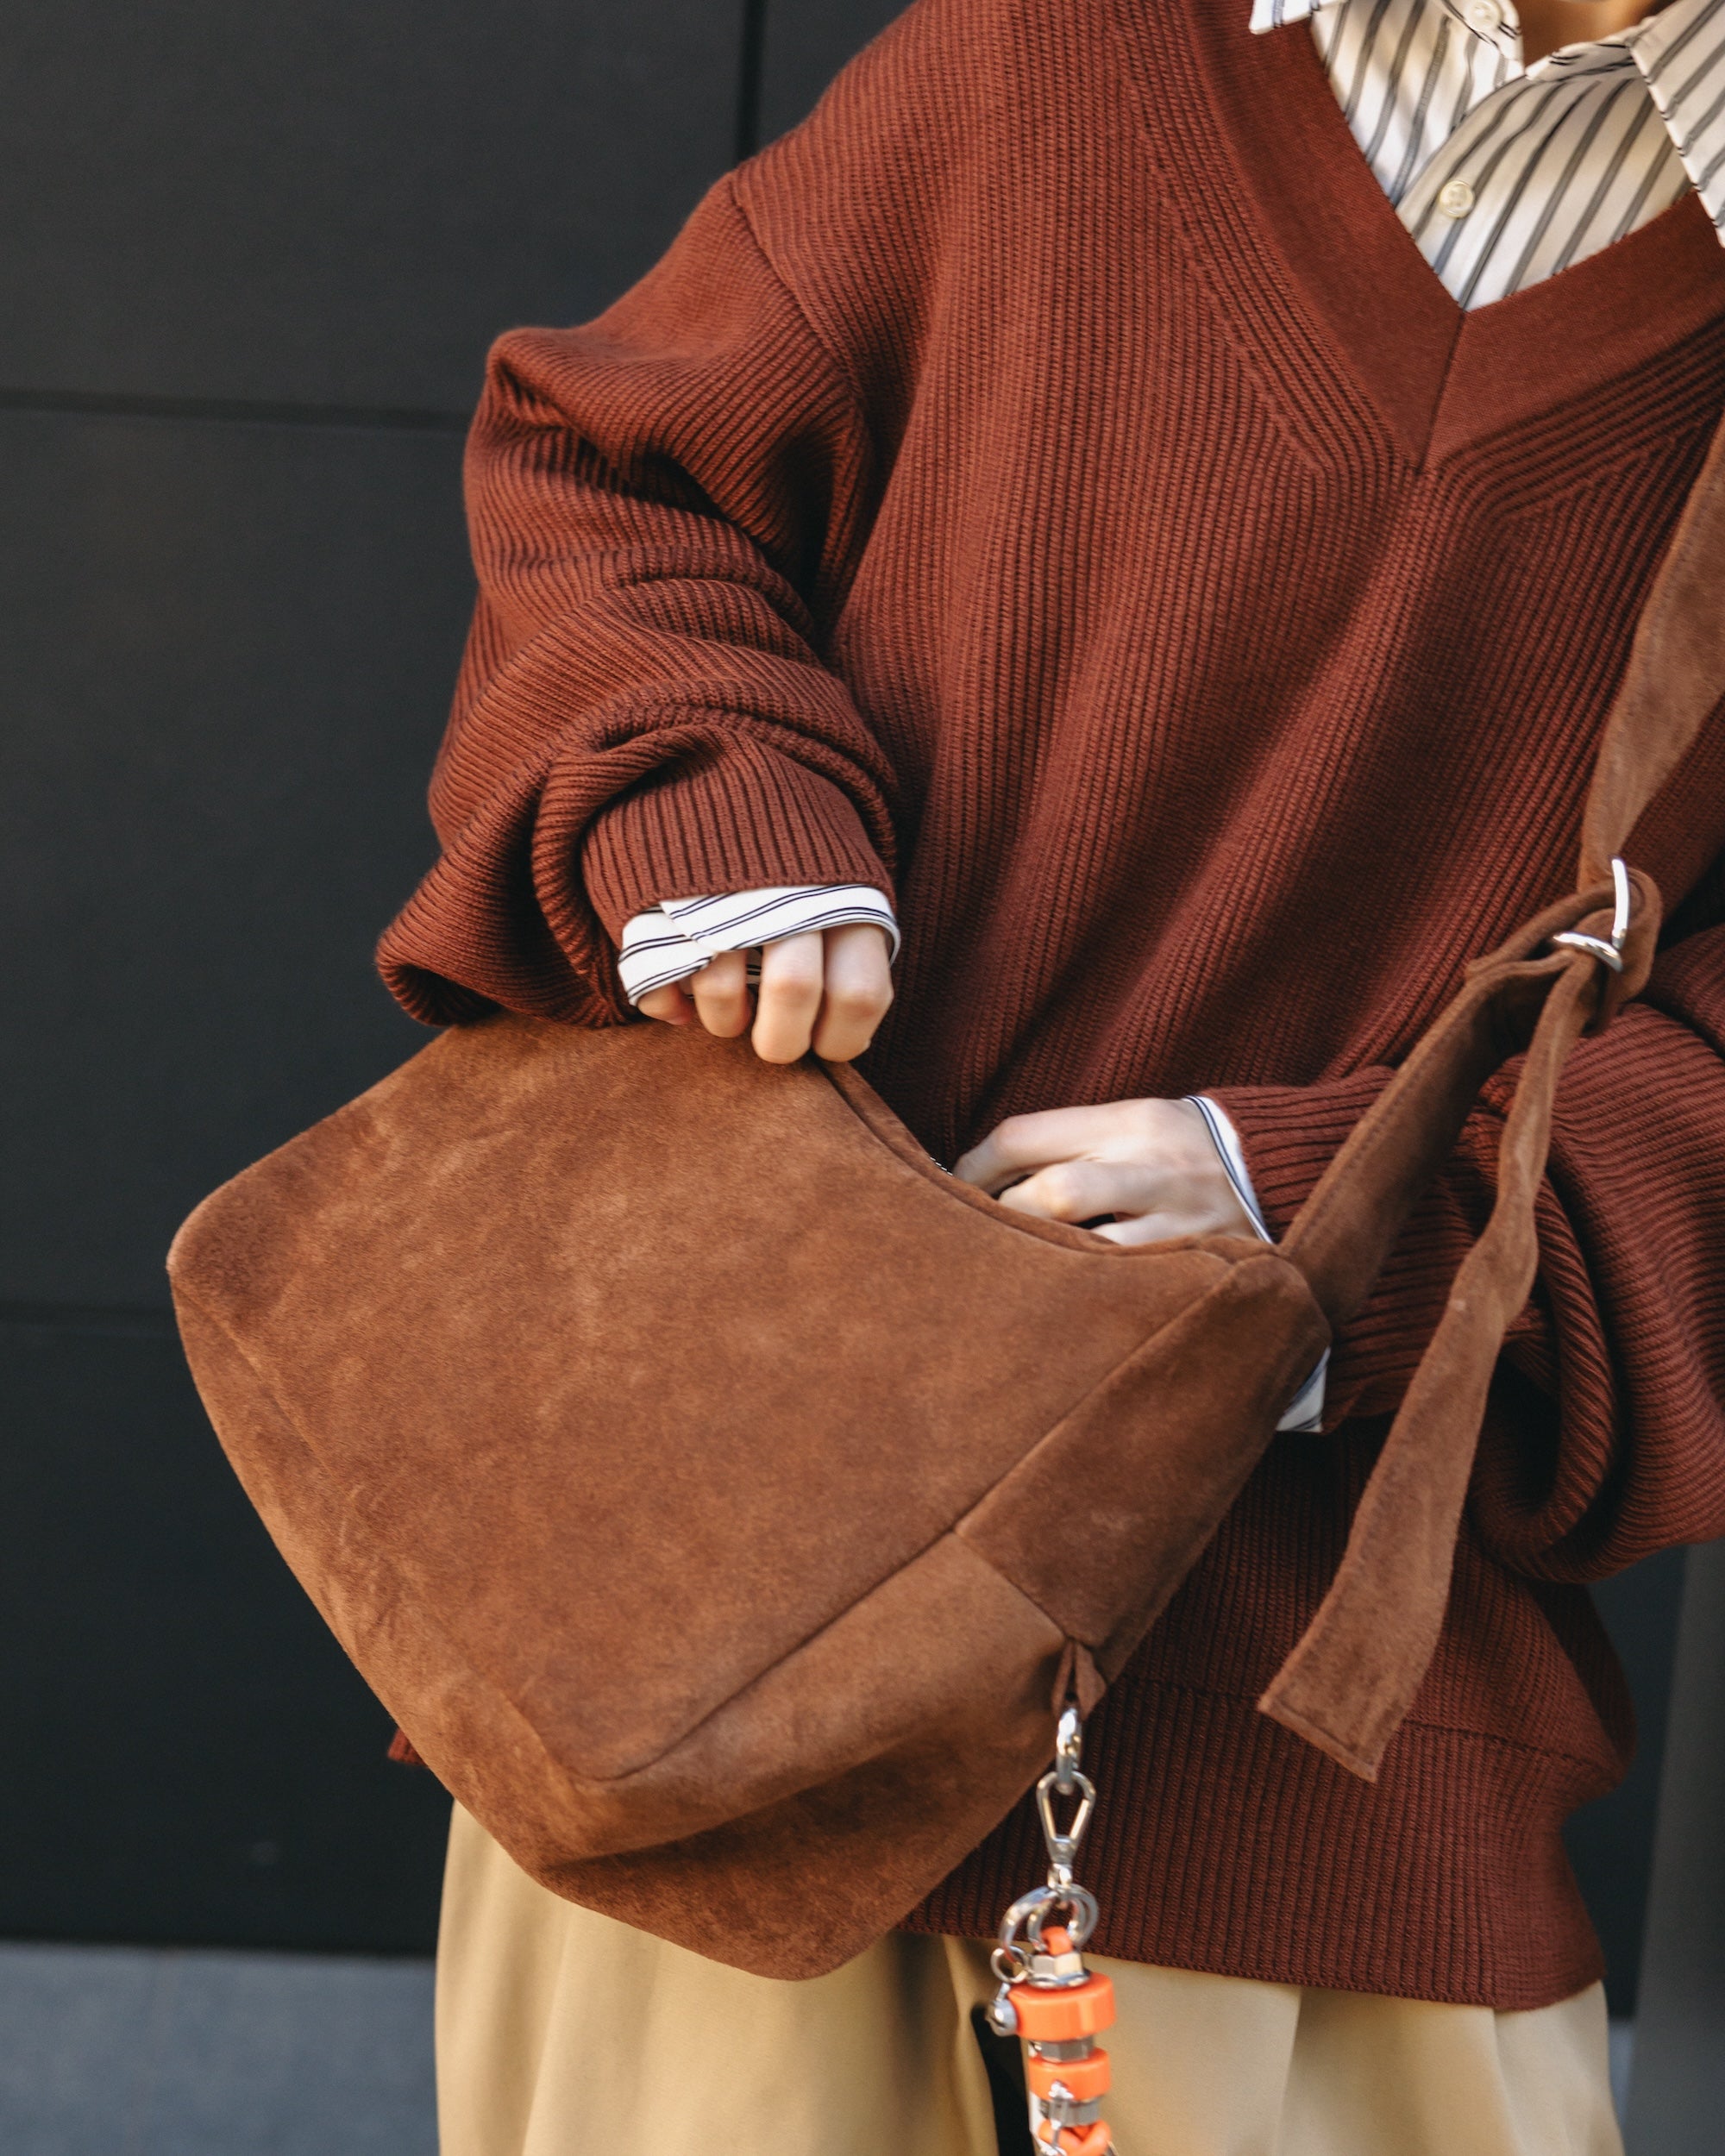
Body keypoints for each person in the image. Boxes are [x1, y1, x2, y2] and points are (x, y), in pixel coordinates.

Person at [377, 0, 1725, 2148]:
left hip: (1314, 1761)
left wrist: (1349, 1216)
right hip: (718, 1620)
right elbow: (618, 462)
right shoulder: (1068, 51)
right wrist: (719, 809)